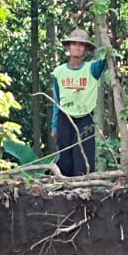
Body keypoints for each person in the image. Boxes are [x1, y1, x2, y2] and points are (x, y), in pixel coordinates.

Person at [51, 27, 108, 176]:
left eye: (81, 45)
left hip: (85, 118)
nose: (77, 47)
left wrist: (106, 37)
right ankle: (65, 187)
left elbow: (105, 57)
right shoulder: (59, 72)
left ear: (86, 49)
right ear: (68, 47)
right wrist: (54, 126)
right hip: (65, 117)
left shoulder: (92, 69)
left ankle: (83, 187)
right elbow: (56, 101)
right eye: (74, 44)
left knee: (83, 158)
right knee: (65, 158)